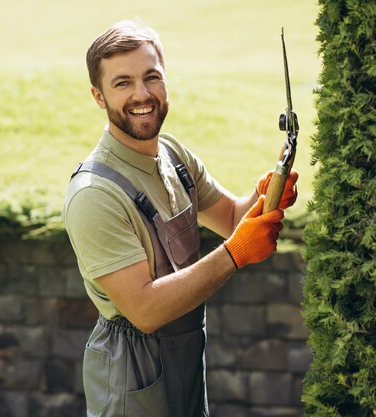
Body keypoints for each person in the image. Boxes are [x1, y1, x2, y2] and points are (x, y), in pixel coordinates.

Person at [63, 20, 298, 417]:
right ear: (98, 96)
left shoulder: (172, 155)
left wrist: (268, 190)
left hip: (186, 357)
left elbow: (231, 217)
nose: (142, 94)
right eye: (122, 83)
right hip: (132, 373)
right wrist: (235, 253)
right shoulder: (94, 195)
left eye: (151, 77)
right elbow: (145, 310)